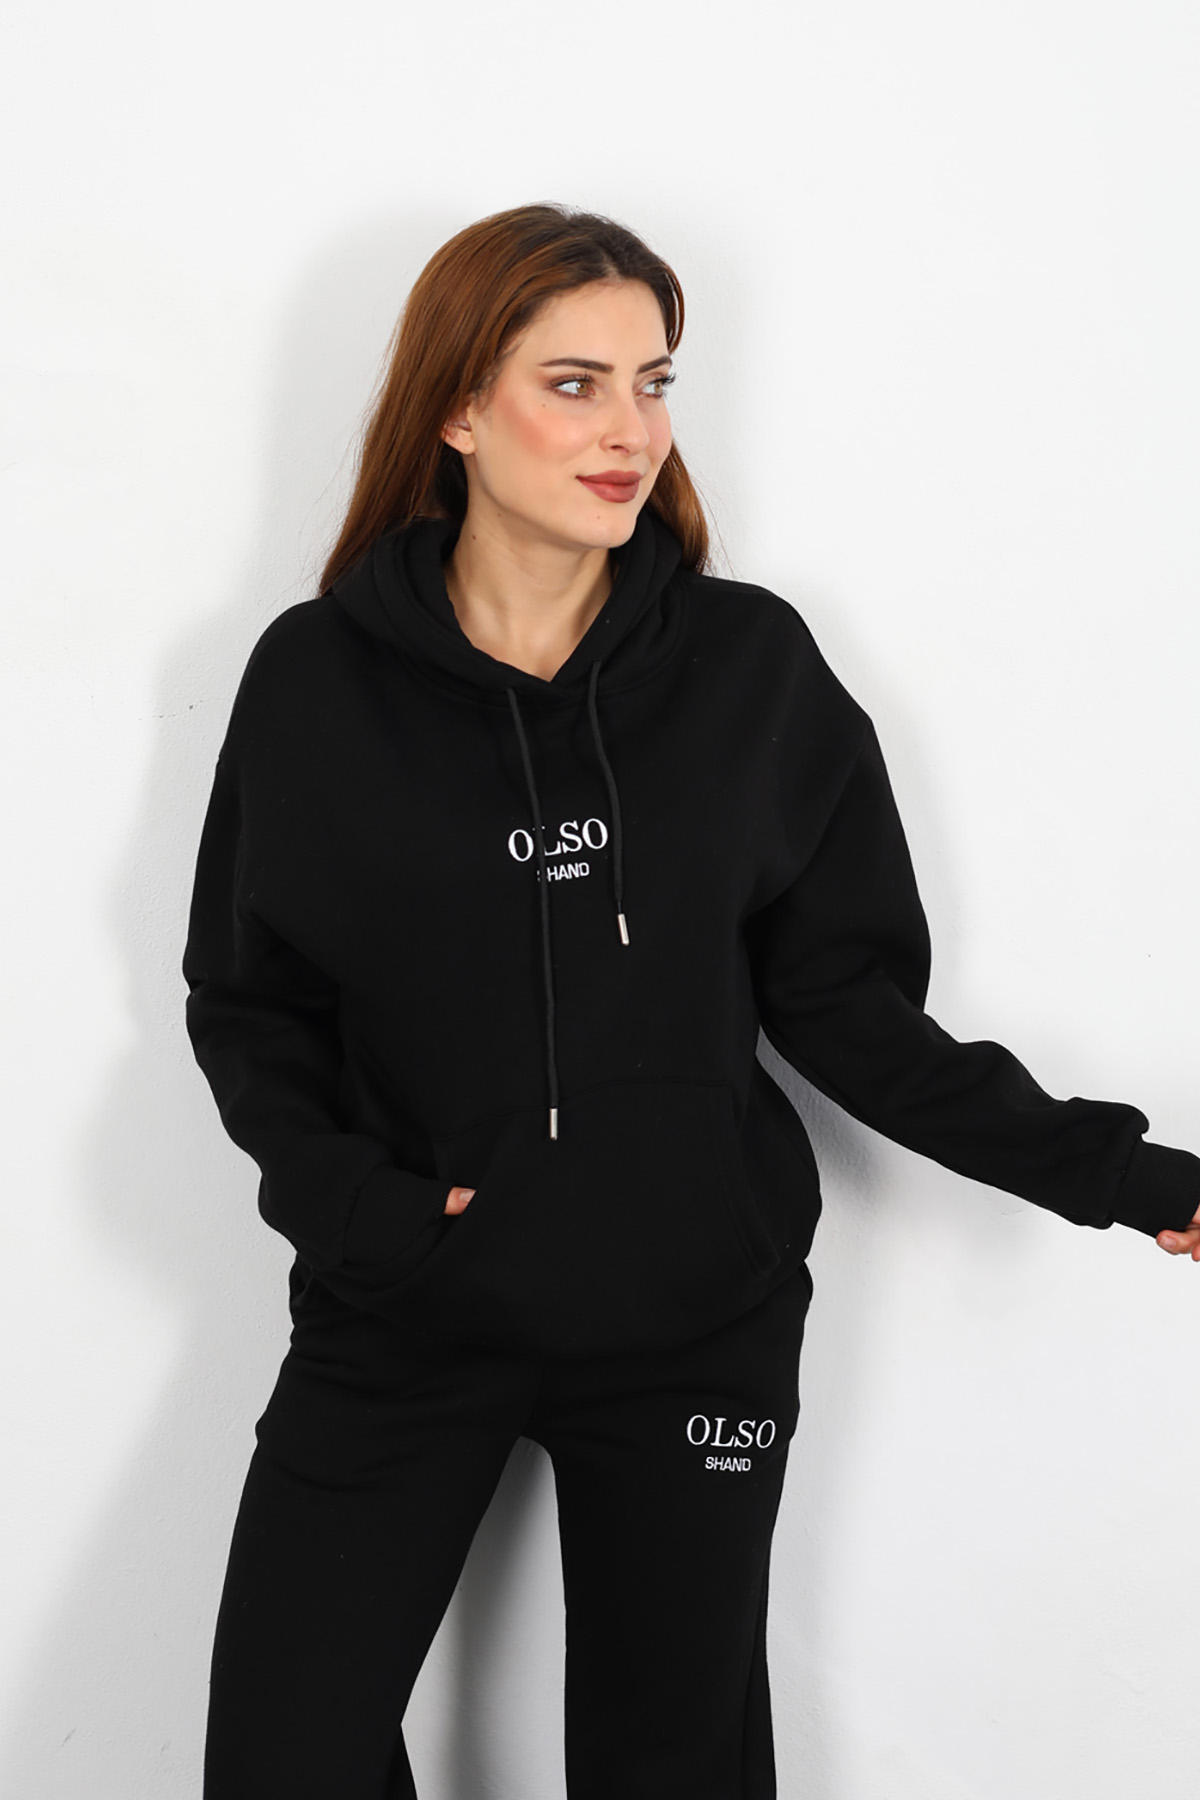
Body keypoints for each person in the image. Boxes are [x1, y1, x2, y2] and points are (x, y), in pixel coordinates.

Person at [181, 201, 1200, 1799]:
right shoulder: (317, 681)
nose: (632, 431)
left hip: (689, 1328)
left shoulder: (749, 670)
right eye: (574, 384)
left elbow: (851, 1009)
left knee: (677, 1771)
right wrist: (366, 1213)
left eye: (654, 382)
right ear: (460, 409)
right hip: (405, 1314)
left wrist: (1127, 1178)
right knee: (283, 1754)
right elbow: (251, 1003)